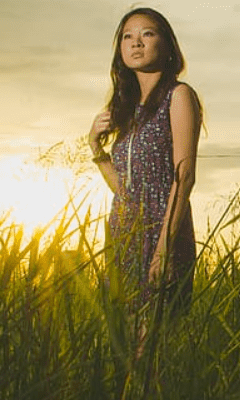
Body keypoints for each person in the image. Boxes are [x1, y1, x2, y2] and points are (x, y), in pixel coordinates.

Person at [88, 7, 201, 319]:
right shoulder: (125, 110)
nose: (136, 42)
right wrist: (96, 147)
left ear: (166, 46)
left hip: (164, 228)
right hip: (124, 229)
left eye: (147, 34)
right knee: (123, 336)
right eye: (127, 36)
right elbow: (124, 189)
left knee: (154, 340)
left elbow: (185, 176)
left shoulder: (178, 96)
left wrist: (165, 246)